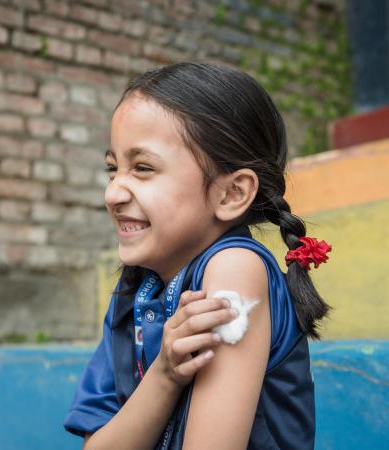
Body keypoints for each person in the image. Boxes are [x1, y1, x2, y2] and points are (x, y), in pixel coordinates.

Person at [63, 62, 333, 450]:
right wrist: (165, 376)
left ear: (231, 194)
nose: (113, 194)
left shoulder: (234, 270)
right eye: (112, 169)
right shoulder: (136, 288)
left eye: (142, 168)